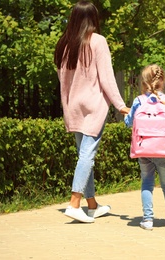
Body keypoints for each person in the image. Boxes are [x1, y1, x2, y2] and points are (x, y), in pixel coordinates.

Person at [54, 0, 130, 223]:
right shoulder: (98, 42)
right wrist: (120, 105)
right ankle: (74, 202)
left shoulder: (65, 45)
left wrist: (67, 108)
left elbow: (63, 82)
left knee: (83, 156)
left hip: (73, 107)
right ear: (93, 18)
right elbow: (107, 78)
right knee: (88, 155)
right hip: (93, 107)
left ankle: (92, 205)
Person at [124, 64, 165, 230]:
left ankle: (148, 220)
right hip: (164, 151)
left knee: (147, 184)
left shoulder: (138, 101)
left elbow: (128, 122)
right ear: (162, 81)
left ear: (143, 83)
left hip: (143, 150)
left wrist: (126, 113)